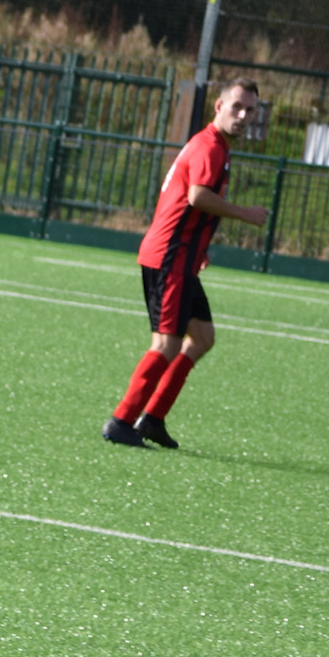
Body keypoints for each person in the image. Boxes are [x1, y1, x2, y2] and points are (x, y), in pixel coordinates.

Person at [102, 80, 268, 449]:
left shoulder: (218, 147)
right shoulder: (209, 145)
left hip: (182, 258)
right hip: (169, 258)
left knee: (203, 337)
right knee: (166, 343)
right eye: (236, 107)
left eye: (250, 110)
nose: (242, 116)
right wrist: (246, 214)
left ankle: (153, 417)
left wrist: (202, 248)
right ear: (218, 106)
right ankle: (121, 420)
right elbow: (197, 196)